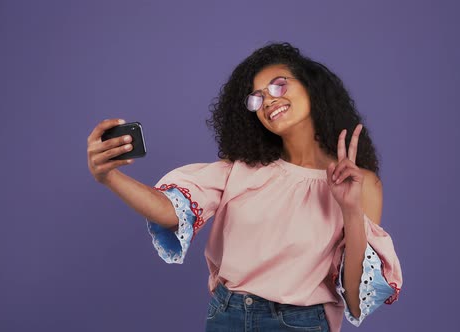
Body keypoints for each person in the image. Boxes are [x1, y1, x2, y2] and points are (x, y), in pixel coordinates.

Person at [87, 42, 402, 332]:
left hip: (300, 323)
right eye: (257, 98)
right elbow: (169, 211)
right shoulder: (240, 169)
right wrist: (110, 177)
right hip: (228, 315)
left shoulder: (361, 184)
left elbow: (357, 301)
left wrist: (349, 209)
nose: (269, 100)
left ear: (310, 86)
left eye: (279, 84)